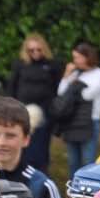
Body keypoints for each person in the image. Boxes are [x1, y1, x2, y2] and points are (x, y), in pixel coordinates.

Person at [8, 33, 63, 172]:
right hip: (23, 111)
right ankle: (23, 170)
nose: (35, 53)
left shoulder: (52, 65)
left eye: (39, 49)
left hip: (45, 111)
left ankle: (41, 172)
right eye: (31, 50)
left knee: (42, 144)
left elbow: (58, 87)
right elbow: (12, 87)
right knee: (23, 142)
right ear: (26, 51)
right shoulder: (20, 64)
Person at [54, 41, 100, 177]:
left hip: (90, 122)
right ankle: (74, 191)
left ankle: (88, 192)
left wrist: (75, 86)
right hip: (72, 122)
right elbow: (61, 92)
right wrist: (67, 76)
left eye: (77, 57)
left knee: (88, 162)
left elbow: (87, 95)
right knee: (73, 162)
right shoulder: (76, 74)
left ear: (87, 57)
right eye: (74, 57)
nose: (75, 61)